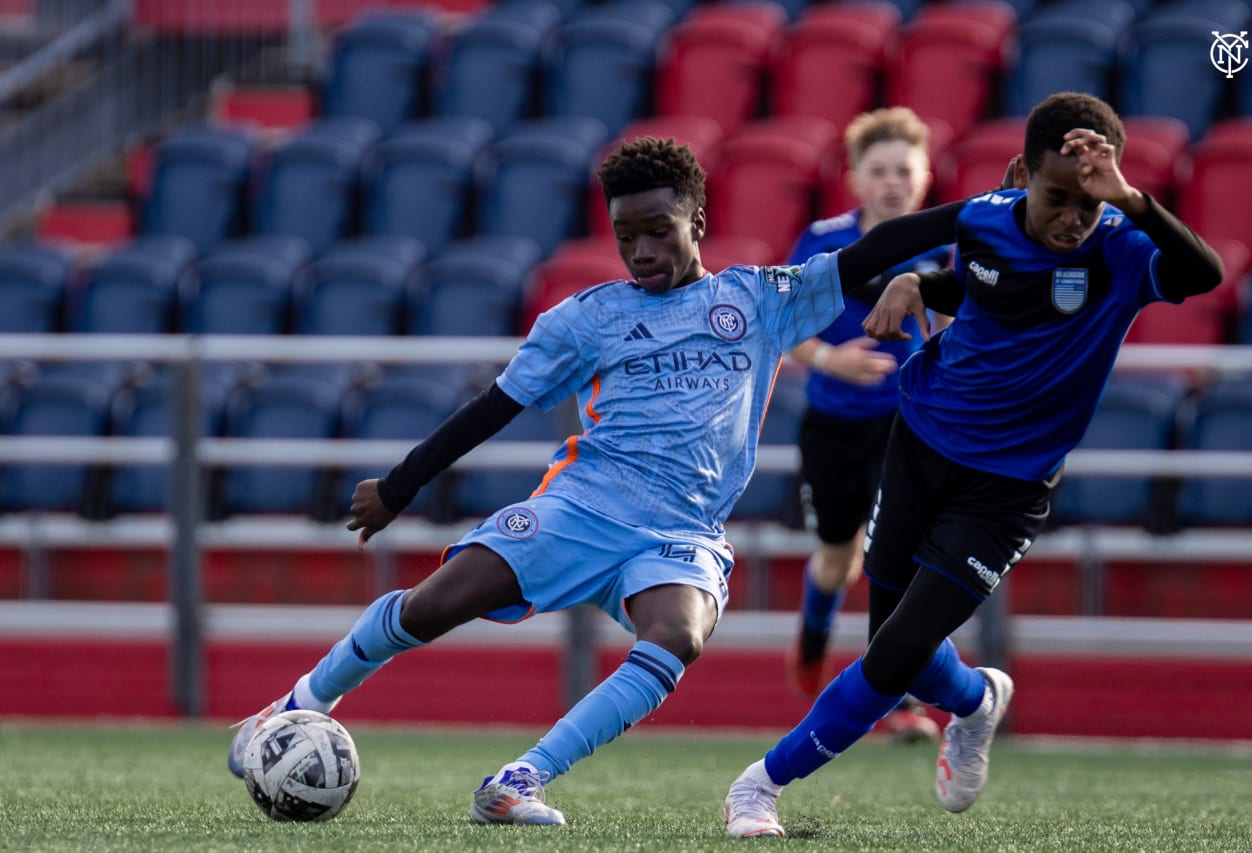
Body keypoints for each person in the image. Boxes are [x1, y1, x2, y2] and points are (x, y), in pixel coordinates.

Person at [225, 136, 959, 826]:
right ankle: (291, 706)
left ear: (697, 220)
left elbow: (876, 248)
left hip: (681, 531)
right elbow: (494, 406)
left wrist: (985, 216)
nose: (641, 251)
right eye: (625, 235)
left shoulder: (762, 298)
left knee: (678, 632)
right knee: (432, 606)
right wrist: (399, 485)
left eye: (658, 230)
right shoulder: (587, 318)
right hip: (582, 506)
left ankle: (518, 780)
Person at [722, 91, 1224, 839]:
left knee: (893, 654)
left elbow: (1202, 273)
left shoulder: (1118, 247)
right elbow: (962, 276)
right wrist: (917, 282)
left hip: (1007, 490)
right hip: (919, 444)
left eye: (1088, 202)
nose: (1070, 219)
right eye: (1057, 196)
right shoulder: (982, 220)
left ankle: (760, 785)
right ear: (1023, 173)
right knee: (894, 645)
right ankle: (977, 700)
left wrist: (1130, 201)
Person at [784, 107, 949, 744]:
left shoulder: (947, 246)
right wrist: (831, 359)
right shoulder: (824, 241)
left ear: (925, 176)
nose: (891, 182)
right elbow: (783, 324)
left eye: (903, 170)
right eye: (878, 170)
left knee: (897, 559)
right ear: (855, 178)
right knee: (837, 559)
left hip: (908, 429)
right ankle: (813, 638)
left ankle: (899, 697)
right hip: (832, 425)